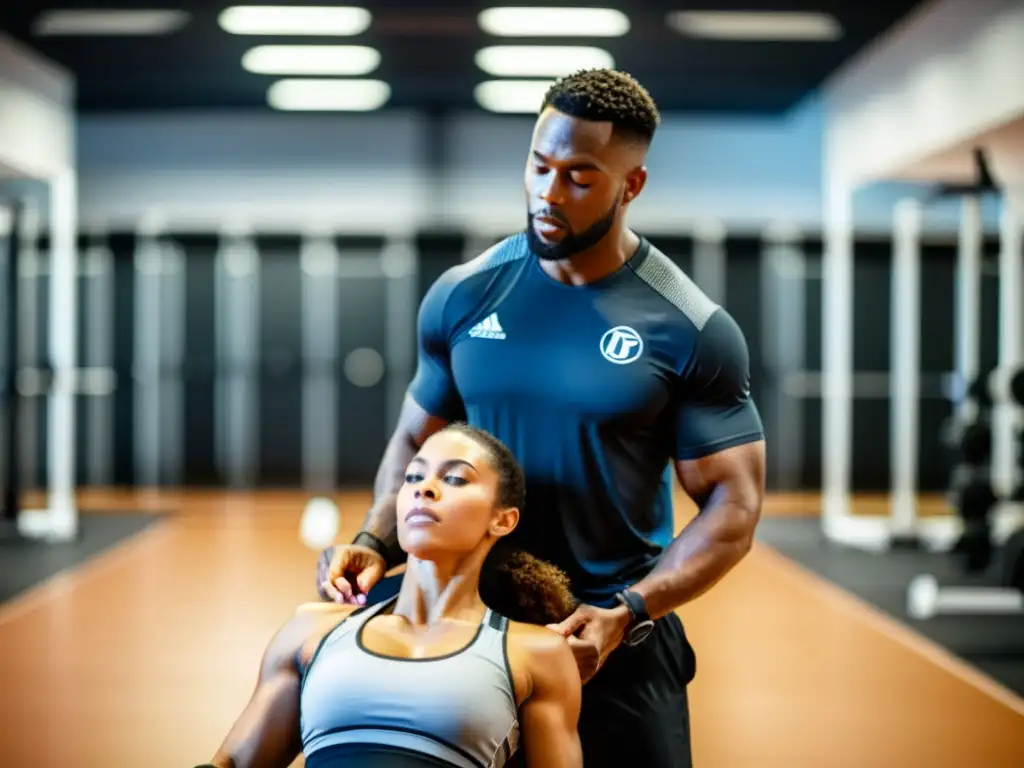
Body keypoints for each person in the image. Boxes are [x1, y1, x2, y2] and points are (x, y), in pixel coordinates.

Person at [318, 68, 766, 767]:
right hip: (472, 630)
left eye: (580, 178)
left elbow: (734, 505)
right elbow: (415, 441)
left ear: (632, 186)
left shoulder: (690, 326)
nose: (548, 194)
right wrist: (376, 541)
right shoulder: (464, 295)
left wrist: (633, 609)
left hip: (610, 635)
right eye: (538, 166)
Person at [201, 424, 584, 768]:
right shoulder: (312, 630)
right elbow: (233, 763)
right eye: (413, 476)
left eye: (454, 478)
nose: (423, 488)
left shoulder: (537, 653)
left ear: (503, 520)